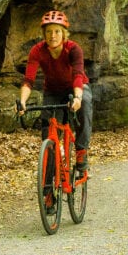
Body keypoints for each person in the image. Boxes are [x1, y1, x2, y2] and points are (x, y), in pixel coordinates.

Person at [17, 9, 91, 172]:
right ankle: (49, 188)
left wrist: (77, 98)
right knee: (49, 134)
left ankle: (81, 153)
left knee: (85, 103)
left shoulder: (73, 49)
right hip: (53, 92)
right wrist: (22, 101)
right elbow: (28, 80)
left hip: (76, 88)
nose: (53, 36)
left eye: (57, 31)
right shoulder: (37, 51)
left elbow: (78, 74)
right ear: (44, 34)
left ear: (64, 33)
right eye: (49, 31)